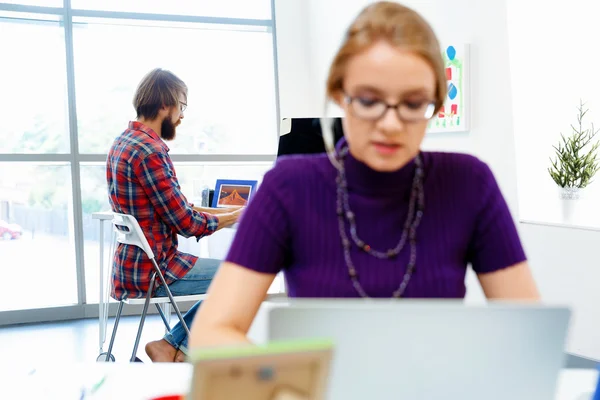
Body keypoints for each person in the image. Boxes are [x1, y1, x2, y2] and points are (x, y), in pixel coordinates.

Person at [188, 1, 540, 349]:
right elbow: (213, 332)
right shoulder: (288, 188)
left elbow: (527, 333)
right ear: (340, 95)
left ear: (436, 103)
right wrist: (282, 384)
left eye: (414, 103)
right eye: (370, 100)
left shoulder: (468, 184)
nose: (390, 124)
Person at [106, 68, 243, 362]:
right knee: (241, 275)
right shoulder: (150, 151)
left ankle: (175, 347)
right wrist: (235, 219)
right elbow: (186, 223)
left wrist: (229, 212)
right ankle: (172, 346)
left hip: (131, 268)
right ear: (165, 105)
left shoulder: (123, 142)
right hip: (157, 270)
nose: (182, 116)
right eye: (182, 106)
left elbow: (175, 205)